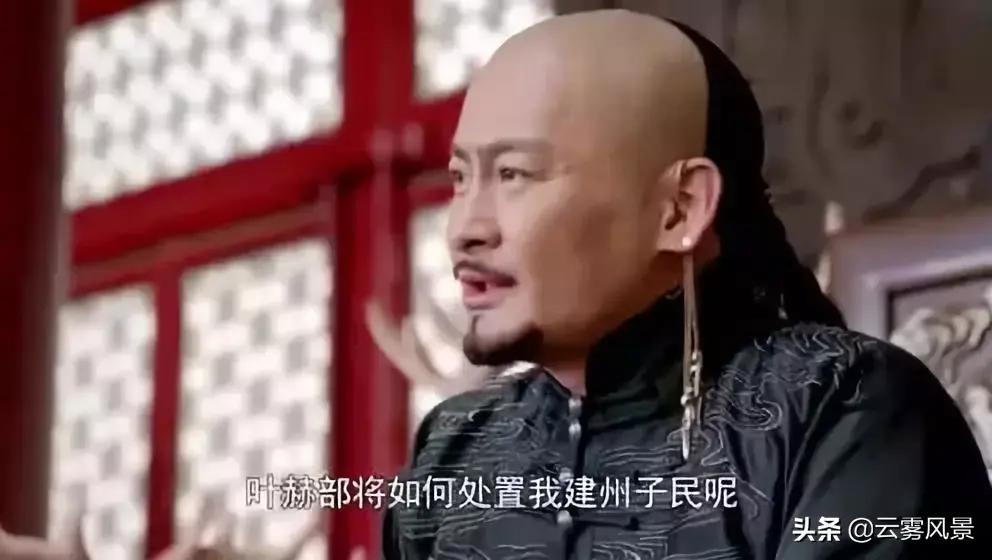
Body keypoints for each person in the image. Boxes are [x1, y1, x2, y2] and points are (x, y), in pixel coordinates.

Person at [382, 9, 991, 559]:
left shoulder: (844, 410)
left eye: (514, 174)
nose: (465, 230)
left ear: (680, 208)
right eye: (460, 180)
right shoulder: (454, 451)